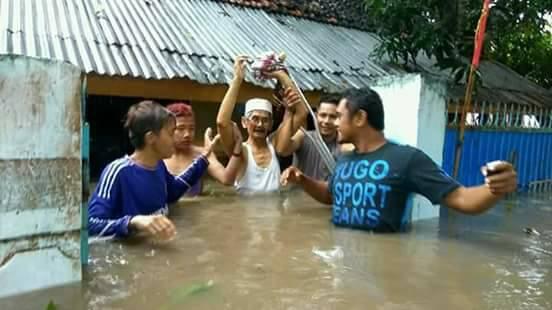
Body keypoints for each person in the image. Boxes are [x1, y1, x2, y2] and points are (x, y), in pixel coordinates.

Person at [281, 87, 518, 232]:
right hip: (339, 266)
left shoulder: (407, 159)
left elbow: (462, 198)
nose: (333, 122)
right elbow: (331, 195)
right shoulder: (345, 159)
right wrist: (302, 180)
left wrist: (495, 189)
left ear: (360, 118)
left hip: (379, 276)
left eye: (339, 116)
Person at [88, 101, 218, 240]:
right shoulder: (117, 172)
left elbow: (173, 192)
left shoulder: (159, 166)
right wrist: (133, 222)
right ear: (151, 138)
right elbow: (90, 225)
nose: (175, 138)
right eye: (170, 133)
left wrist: (204, 157)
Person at [216, 56, 306, 194]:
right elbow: (222, 123)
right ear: (244, 122)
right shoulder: (240, 151)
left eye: (265, 120)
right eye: (255, 119)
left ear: (270, 124)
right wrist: (237, 80)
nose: (260, 124)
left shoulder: (275, 144)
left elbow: (301, 113)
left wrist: (281, 76)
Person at [164, 102, 242, 196]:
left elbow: (227, 180)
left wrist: (237, 147)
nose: (187, 134)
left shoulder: (202, 153)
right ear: (167, 129)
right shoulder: (159, 156)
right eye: (180, 128)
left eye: (191, 128)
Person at [274, 93, 343, 180]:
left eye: (333, 116)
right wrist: (289, 112)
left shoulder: (343, 144)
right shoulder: (304, 136)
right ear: (315, 115)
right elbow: (282, 150)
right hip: (299, 193)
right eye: (323, 115)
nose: (326, 121)